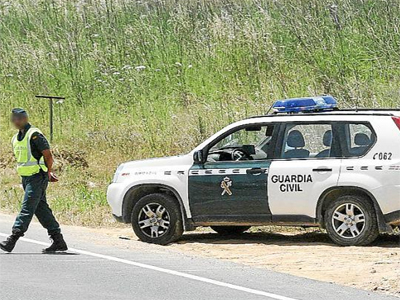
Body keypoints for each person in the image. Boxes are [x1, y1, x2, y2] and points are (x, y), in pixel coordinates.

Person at [0, 108, 68, 253]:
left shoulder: (34, 135)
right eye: (14, 118)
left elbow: (48, 155)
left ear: (25, 119)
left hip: (37, 177)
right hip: (26, 178)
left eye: (19, 118)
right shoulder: (15, 138)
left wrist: (49, 171)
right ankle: (58, 240)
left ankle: (13, 238)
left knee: (28, 207)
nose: (16, 121)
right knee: (41, 209)